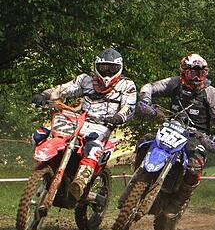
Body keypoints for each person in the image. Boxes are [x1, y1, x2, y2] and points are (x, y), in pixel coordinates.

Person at [31, 49, 137, 199]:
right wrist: (44, 95)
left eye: (111, 68)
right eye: (103, 68)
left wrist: (118, 117)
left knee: (92, 147)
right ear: (97, 66)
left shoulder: (127, 85)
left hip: (102, 125)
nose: (107, 72)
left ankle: (79, 184)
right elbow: (63, 89)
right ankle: (42, 169)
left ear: (119, 68)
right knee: (40, 134)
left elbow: (129, 106)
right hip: (77, 120)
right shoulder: (85, 80)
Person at [136, 54, 215, 216]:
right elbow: (149, 86)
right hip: (171, 128)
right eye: (193, 73)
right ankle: (138, 180)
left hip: (197, 136)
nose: (197, 77)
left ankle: (179, 202)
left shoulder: (210, 92)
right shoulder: (174, 83)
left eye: (201, 73)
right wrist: (145, 100)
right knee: (144, 142)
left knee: (195, 165)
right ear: (184, 71)